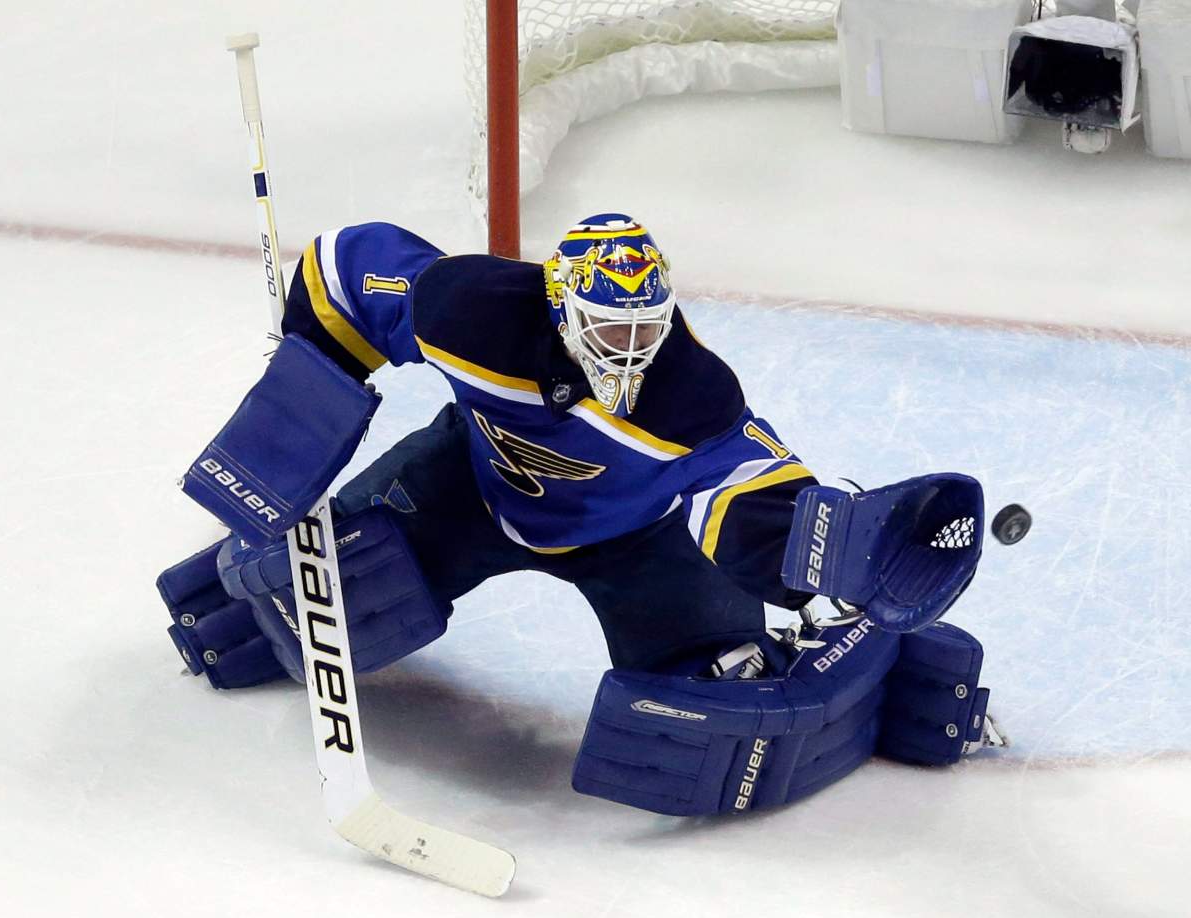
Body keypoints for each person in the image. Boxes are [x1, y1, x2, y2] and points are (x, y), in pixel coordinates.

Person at [158, 214, 1002, 817]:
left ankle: (874, 677)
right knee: (325, 590)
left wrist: (826, 554)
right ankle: (230, 610)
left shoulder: (693, 393)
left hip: (633, 540)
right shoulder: (471, 310)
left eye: (645, 329)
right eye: (609, 328)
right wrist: (317, 367)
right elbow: (348, 266)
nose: (630, 351)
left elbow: (750, 489)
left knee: (714, 703)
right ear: (561, 310)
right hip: (468, 488)